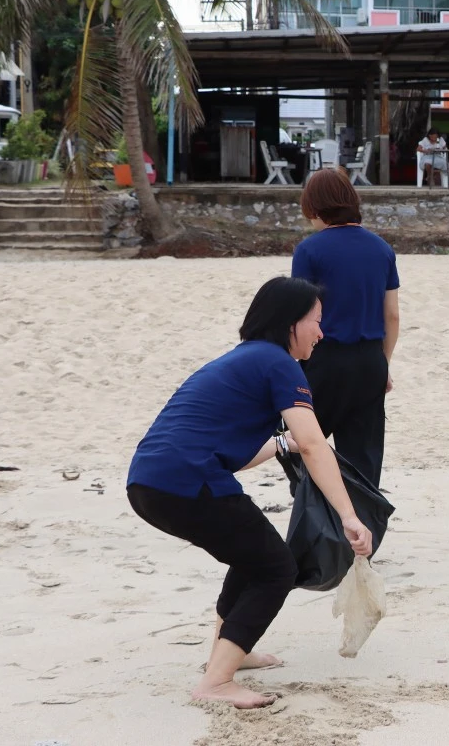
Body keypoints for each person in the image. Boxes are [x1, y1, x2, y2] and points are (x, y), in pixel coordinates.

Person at [126, 276, 373, 710]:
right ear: (289, 323)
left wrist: (281, 443)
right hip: (188, 481)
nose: (321, 332)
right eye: (316, 321)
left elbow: (240, 450)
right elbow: (316, 444)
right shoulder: (280, 363)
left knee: (252, 556)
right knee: (276, 568)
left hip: (150, 482)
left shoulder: (242, 359)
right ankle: (216, 682)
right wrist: (349, 516)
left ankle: (230, 655)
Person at [291, 167, 400, 488]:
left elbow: (299, 313)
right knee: (363, 455)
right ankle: (362, 527)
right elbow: (392, 315)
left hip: (324, 359)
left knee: (298, 444)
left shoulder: (309, 250)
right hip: (370, 360)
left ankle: (317, 516)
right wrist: (384, 364)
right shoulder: (382, 249)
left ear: (315, 207)